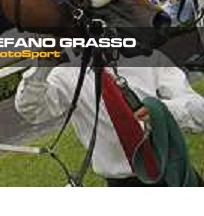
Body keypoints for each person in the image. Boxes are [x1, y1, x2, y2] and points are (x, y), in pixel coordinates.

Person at [15, 52, 204, 186]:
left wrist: (162, 112)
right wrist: (44, 62)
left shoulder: (146, 56)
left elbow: (200, 113)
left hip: (177, 172)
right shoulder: (65, 76)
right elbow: (32, 110)